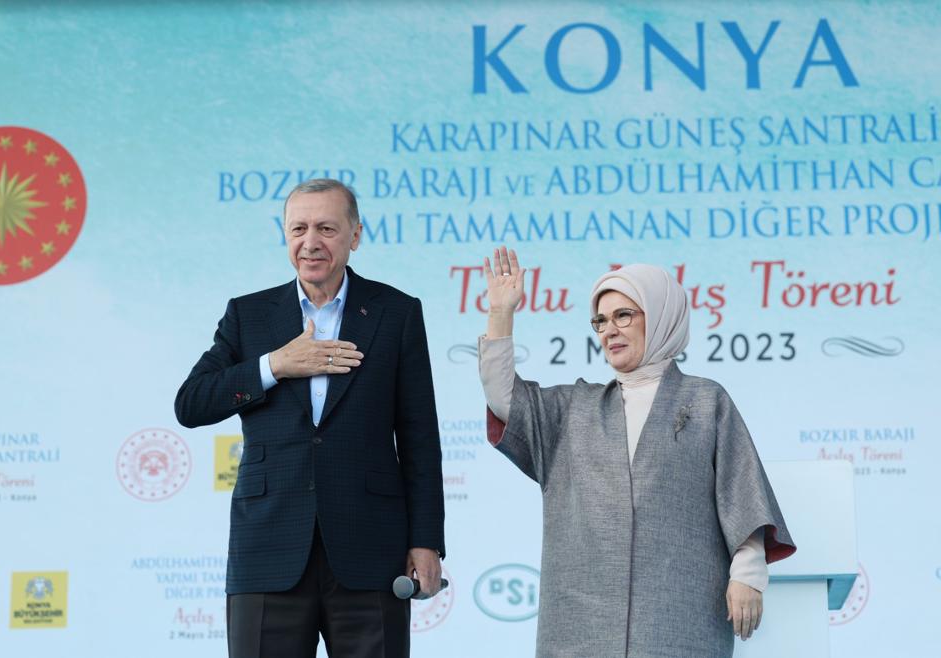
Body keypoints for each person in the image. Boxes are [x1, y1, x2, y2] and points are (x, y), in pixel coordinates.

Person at [478, 247, 796, 658]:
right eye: (600, 321)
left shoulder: (705, 401)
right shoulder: (572, 409)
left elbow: (741, 493)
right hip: (581, 622)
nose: (609, 330)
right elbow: (504, 398)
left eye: (623, 315)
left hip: (679, 613)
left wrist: (748, 574)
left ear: (661, 315)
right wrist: (500, 313)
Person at [175, 179, 445, 658]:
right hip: (268, 550)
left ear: (355, 235)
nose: (310, 242)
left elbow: (419, 438)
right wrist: (275, 365)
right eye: (298, 228)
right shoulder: (248, 315)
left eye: (326, 228)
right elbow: (191, 404)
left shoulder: (397, 312)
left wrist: (426, 541)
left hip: (370, 551)